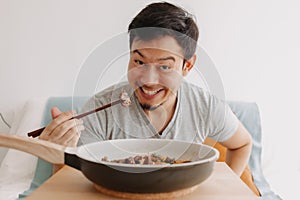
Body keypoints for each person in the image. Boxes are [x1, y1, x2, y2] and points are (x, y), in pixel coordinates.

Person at [39, 2, 252, 177]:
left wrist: (224, 188)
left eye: (165, 67)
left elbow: (242, 144)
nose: (148, 81)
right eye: (139, 62)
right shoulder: (99, 109)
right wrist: (57, 156)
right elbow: (74, 185)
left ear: (187, 66)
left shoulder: (206, 107)